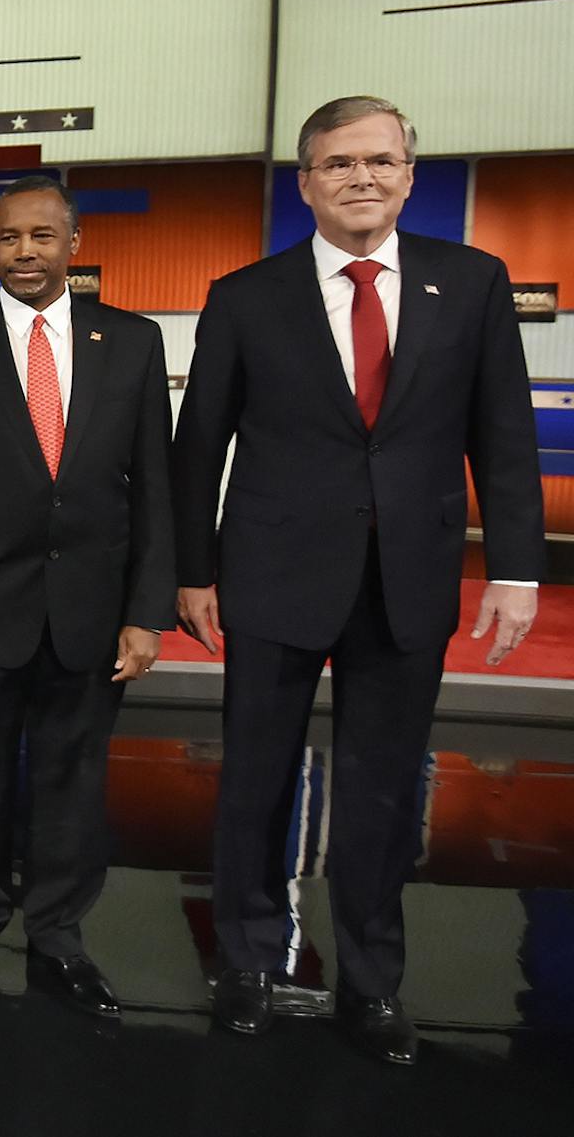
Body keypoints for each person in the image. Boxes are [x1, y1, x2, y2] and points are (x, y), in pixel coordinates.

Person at [173, 96, 544, 1064]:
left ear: (410, 174)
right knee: (255, 781)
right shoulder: (246, 296)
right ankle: (250, 963)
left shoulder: (471, 284)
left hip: (408, 577)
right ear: (306, 183)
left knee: (384, 796)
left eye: (380, 160)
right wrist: (192, 571)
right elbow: (197, 448)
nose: (361, 178)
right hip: (272, 574)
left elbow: (503, 437)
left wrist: (515, 568)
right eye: (338, 164)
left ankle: (374, 983)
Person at [0, 175, 175, 1017]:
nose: (25, 252)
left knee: (73, 778)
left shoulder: (131, 342)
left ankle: (61, 935)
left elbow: (155, 490)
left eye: (41, 236)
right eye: (8, 238)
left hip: (93, 609)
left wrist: (147, 608)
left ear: (73, 241)